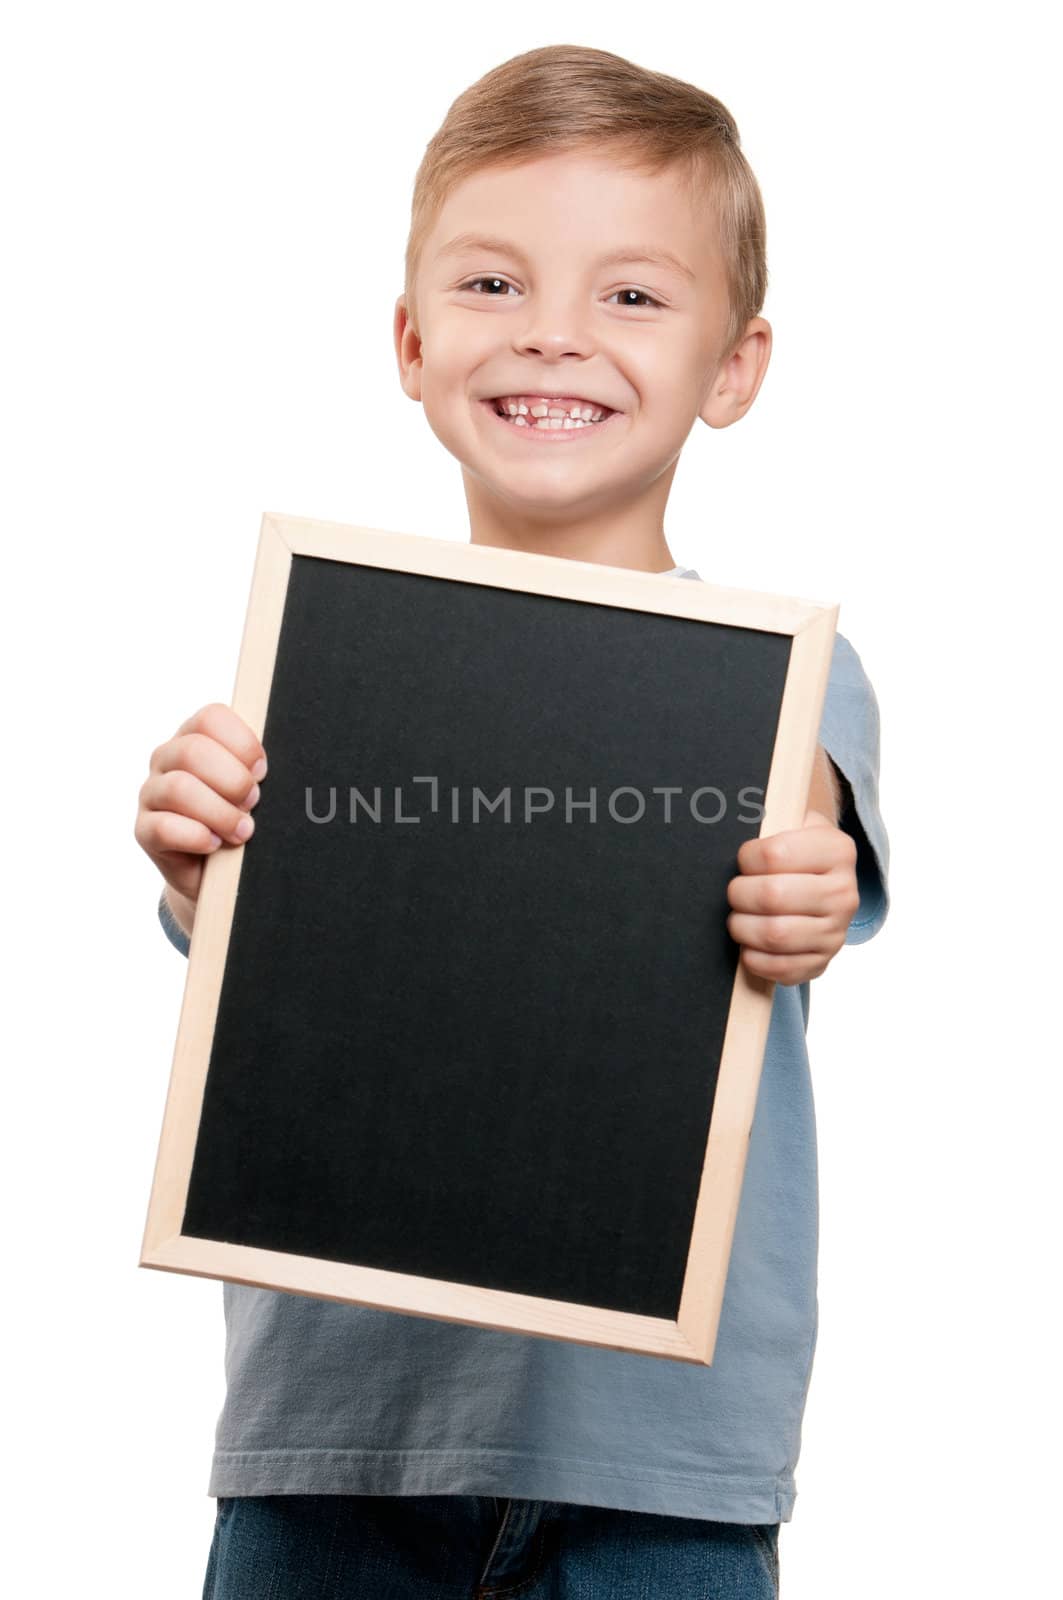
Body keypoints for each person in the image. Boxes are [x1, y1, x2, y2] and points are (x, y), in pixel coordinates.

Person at [135, 42, 890, 1600]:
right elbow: (277, 946)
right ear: (410, 343)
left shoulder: (793, 683)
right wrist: (206, 867)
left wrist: (803, 888)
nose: (553, 334)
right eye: (491, 286)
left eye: (631, 295)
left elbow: (802, 841)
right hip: (333, 1450)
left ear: (735, 367)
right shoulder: (323, 666)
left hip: (653, 1468)